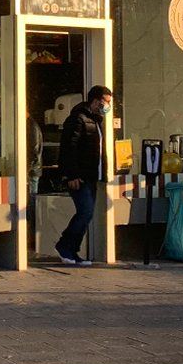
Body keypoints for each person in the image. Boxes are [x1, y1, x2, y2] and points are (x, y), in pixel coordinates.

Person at [56, 85, 112, 266]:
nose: (108, 106)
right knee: (85, 212)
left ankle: (72, 250)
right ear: (96, 101)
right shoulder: (78, 119)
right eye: (106, 102)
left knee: (87, 214)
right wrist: (71, 175)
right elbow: (68, 147)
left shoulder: (96, 120)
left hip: (91, 175)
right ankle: (65, 246)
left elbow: (99, 150)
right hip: (79, 176)